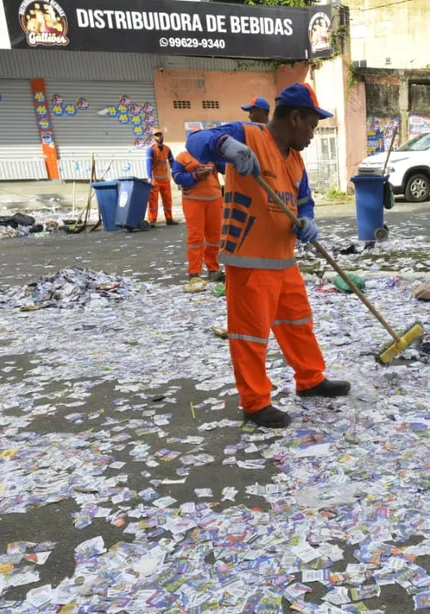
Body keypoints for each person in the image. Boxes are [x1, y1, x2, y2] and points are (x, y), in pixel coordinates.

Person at [186, 83, 349, 428]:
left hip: (283, 259)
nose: (312, 135)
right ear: (295, 118)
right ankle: (255, 403)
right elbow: (195, 143)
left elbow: (304, 200)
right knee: (250, 335)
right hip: (249, 261)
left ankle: (310, 380)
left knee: (298, 323)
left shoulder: (295, 159)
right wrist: (226, 146)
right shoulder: (247, 135)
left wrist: (308, 221)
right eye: (311, 126)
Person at [172, 145, 223, 292]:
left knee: (214, 237)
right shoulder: (183, 157)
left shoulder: (212, 156)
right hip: (193, 201)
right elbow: (177, 177)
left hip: (214, 200)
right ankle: (194, 272)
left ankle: (213, 270)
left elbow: (225, 167)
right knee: (196, 237)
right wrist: (195, 176)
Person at [146, 129, 176, 226]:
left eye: (160, 135)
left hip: (165, 179)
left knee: (168, 200)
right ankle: (152, 220)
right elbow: (148, 165)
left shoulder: (167, 149)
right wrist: (149, 178)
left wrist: (176, 173)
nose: (159, 137)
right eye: (156, 135)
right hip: (155, 180)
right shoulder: (151, 150)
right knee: (153, 201)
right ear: (153, 137)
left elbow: (172, 162)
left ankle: (169, 219)